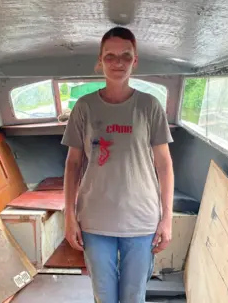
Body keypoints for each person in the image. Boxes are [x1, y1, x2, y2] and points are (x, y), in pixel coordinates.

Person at [61, 26, 175, 303]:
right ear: (100, 60)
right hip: (95, 220)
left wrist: (167, 219)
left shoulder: (149, 105)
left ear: (135, 61)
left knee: (134, 296)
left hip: (141, 220)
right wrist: (69, 216)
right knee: (104, 295)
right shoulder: (84, 107)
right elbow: (73, 165)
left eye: (126, 55)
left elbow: (164, 165)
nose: (118, 62)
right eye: (110, 56)